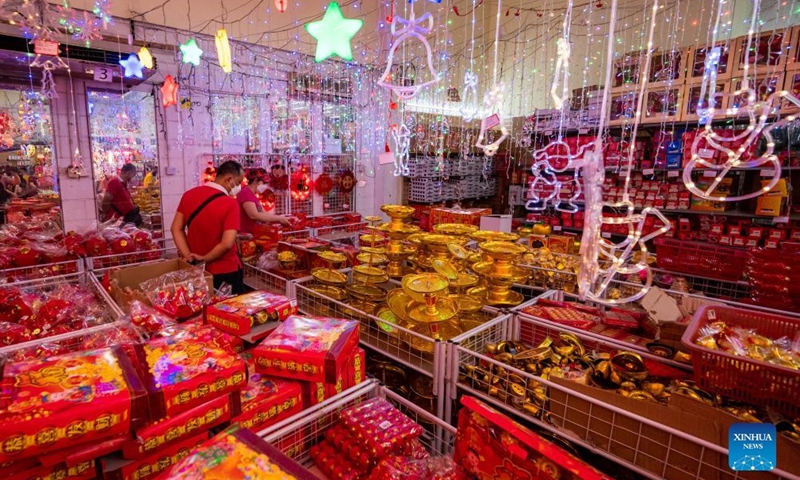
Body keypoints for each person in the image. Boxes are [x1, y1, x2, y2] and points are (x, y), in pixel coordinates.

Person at [171, 160, 245, 294]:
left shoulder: (189, 195)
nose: (239, 187)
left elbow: (176, 228)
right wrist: (204, 258)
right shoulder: (230, 204)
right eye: (238, 183)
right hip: (225, 270)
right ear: (229, 179)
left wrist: (189, 257)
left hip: (196, 271)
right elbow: (227, 244)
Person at [237, 168, 291, 234]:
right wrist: (278, 219)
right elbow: (254, 215)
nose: (265, 186)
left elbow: (264, 214)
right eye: (264, 183)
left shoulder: (252, 195)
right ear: (255, 180)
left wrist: (280, 218)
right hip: (245, 236)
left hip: (253, 235)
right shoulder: (246, 193)